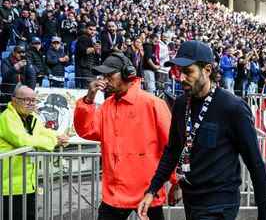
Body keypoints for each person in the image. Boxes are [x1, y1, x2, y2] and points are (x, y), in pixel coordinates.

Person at [138, 40, 266, 220]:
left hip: (220, 203)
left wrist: (265, 215)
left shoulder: (233, 108)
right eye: (179, 71)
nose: (181, 78)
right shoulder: (180, 104)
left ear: (207, 70)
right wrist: (152, 190)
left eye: (188, 72)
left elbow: (255, 163)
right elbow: (172, 152)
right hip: (192, 200)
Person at [73, 52, 179, 220]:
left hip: (148, 193)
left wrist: (176, 181)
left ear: (127, 74)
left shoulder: (153, 104)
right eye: (104, 75)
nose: (105, 79)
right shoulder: (107, 106)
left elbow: (172, 147)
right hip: (114, 195)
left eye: (110, 74)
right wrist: (88, 100)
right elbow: (86, 130)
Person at [0, 85, 69, 220]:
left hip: (27, 184)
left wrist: (59, 136)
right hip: (9, 187)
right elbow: (23, 140)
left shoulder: (31, 117)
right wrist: (54, 142)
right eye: (27, 100)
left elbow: (43, 132)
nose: (32, 103)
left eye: (34, 100)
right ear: (14, 101)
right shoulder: (6, 118)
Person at [0, 45, 36, 111]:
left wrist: (30, 91)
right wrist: (17, 66)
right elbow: (5, 76)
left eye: (23, 52)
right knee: (7, 112)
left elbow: (32, 77)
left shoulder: (27, 62)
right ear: (14, 53)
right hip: (8, 92)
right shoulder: (6, 61)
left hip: (22, 93)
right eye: (19, 52)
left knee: (21, 112)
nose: (21, 54)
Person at [75, 21, 101, 88]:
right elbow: (81, 50)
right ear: (86, 29)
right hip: (85, 68)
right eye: (90, 29)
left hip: (89, 68)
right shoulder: (84, 37)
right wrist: (93, 49)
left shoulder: (90, 39)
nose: (93, 32)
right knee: (89, 88)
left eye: (94, 30)